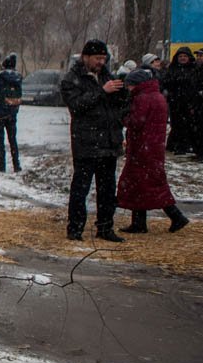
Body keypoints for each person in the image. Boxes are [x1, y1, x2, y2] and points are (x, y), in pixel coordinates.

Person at [60, 39, 129, 242]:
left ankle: (106, 228)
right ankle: (75, 229)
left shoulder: (107, 76)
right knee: (81, 188)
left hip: (109, 142)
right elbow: (76, 106)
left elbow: (121, 106)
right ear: (85, 57)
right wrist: (102, 92)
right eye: (97, 58)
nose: (101, 62)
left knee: (108, 189)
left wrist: (122, 95)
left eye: (103, 58)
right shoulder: (72, 79)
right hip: (86, 143)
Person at [116, 69, 190, 234]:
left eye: (129, 85)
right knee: (145, 185)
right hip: (153, 148)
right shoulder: (157, 96)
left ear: (136, 85)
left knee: (147, 185)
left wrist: (123, 117)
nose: (128, 89)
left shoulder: (142, 98)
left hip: (142, 149)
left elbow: (136, 122)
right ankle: (140, 223)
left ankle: (175, 217)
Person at [161, 46, 197, 154]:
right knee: (176, 124)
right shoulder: (172, 69)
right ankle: (177, 145)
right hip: (175, 101)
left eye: (185, 56)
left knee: (189, 124)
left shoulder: (194, 69)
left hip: (189, 101)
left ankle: (187, 145)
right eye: (180, 56)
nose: (182, 58)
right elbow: (166, 82)